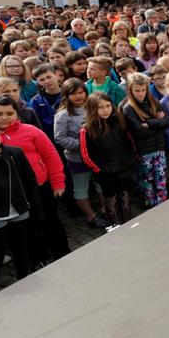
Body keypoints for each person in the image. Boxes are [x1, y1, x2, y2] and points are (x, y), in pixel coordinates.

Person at [0, 96, 70, 265]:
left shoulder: (31, 130)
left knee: (51, 222)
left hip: (41, 187)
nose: (4, 117)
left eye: (10, 113)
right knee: (28, 229)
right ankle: (39, 258)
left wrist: (57, 181)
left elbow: (51, 156)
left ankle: (63, 254)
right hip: (13, 195)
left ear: (17, 113)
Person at [0, 118, 42, 298]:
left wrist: (36, 208)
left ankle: (24, 278)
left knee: (22, 248)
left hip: (20, 209)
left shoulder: (15, 153)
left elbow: (30, 181)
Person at [54, 78, 109, 229]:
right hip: (77, 158)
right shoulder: (63, 115)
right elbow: (60, 138)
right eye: (73, 94)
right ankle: (91, 216)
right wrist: (84, 145)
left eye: (80, 92)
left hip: (96, 157)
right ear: (66, 95)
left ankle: (105, 210)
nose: (78, 96)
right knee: (81, 188)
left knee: (100, 185)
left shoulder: (92, 107)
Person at [80, 92, 136, 226]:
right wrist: (101, 169)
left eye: (108, 106)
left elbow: (130, 141)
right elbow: (86, 155)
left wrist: (131, 159)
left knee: (125, 196)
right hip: (106, 174)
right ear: (93, 109)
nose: (105, 110)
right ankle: (115, 225)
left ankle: (127, 221)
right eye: (100, 107)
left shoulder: (119, 120)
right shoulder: (87, 129)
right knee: (111, 200)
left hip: (124, 168)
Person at [122, 73, 169, 207]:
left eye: (143, 90)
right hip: (143, 152)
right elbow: (140, 132)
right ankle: (151, 206)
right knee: (147, 182)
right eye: (137, 90)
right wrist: (158, 121)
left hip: (159, 148)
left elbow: (168, 121)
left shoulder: (153, 102)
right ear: (130, 90)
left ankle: (163, 204)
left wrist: (150, 123)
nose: (141, 93)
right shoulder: (129, 108)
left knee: (161, 180)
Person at [29, 63, 64, 139]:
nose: (47, 81)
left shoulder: (67, 96)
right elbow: (35, 124)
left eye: (49, 77)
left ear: (56, 75)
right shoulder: (36, 101)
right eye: (42, 80)